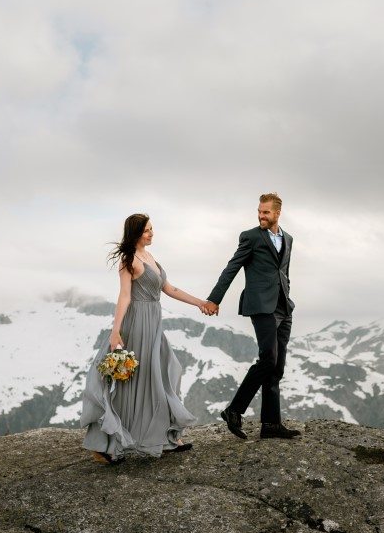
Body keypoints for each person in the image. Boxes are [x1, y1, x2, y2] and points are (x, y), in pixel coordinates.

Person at [80, 213, 211, 463]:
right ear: (136, 233)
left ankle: (164, 437)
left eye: (152, 229)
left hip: (153, 321)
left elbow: (169, 289)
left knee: (164, 373)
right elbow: (125, 296)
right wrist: (115, 330)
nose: (152, 234)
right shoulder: (128, 259)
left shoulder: (150, 257)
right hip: (137, 322)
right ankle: (106, 444)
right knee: (136, 381)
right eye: (147, 230)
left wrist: (200, 303)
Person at [204, 193, 300, 440]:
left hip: (283, 308)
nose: (261, 216)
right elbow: (232, 267)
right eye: (259, 211)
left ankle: (270, 424)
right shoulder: (250, 237)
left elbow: (283, 272)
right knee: (267, 358)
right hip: (261, 305)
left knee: (276, 367)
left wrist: (286, 298)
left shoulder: (288, 239)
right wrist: (215, 298)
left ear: (278, 213)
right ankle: (234, 410)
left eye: (266, 212)